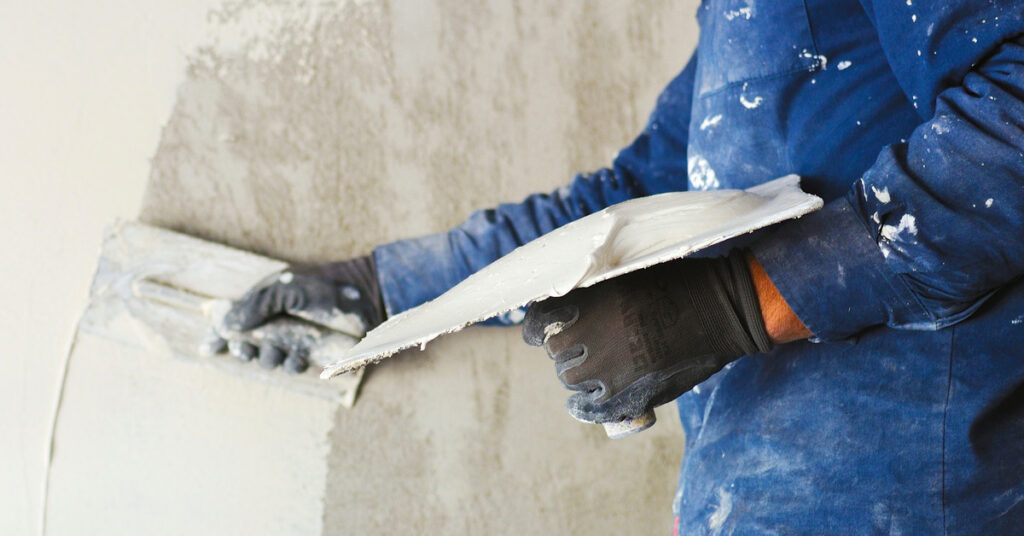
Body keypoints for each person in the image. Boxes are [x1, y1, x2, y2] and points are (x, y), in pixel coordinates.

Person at [215, 1, 1024, 532]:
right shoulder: (741, 19)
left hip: (922, 497)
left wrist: (734, 305)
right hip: (747, 504)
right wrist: (383, 292)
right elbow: (629, 201)